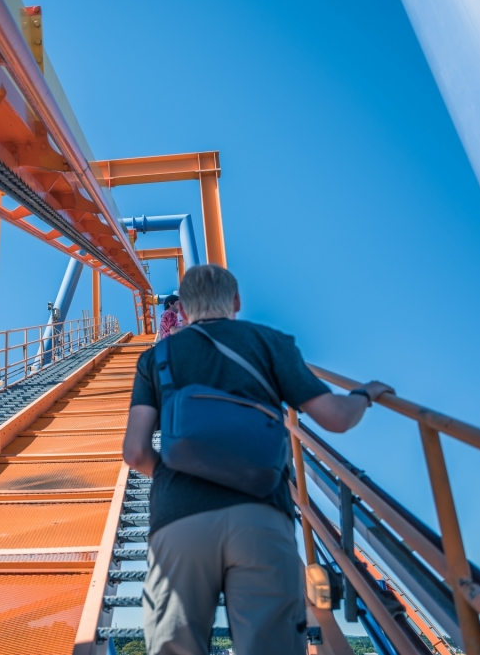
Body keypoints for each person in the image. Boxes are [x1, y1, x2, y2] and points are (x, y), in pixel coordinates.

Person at [123, 265, 394, 655]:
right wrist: (364, 394)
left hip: (178, 517)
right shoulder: (269, 342)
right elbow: (336, 417)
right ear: (236, 301)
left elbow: (134, 452)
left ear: (180, 311)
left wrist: (173, 473)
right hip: (261, 512)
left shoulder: (157, 356)